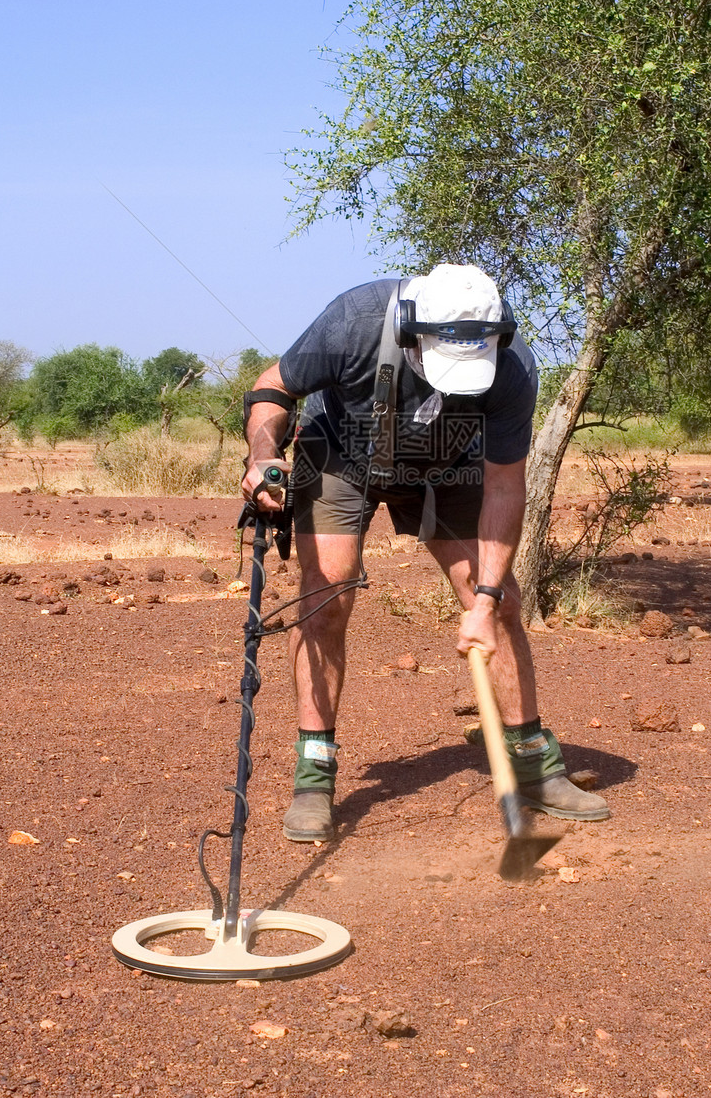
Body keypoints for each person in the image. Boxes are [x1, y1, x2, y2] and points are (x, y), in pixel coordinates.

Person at [241, 263, 609, 842]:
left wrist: (484, 600)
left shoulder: (512, 372)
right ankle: (314, 773)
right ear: (413, 331)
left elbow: (508, 486)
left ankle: (534, 765)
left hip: (447, 466)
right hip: (342, 456)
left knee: (504, 602)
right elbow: (273, 387)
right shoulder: (355, 321)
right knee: (327, 593)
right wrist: (263, 452)